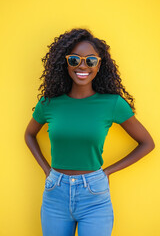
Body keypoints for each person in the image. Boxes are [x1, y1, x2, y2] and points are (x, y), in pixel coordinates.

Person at [24, 28, 155, 236]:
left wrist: (108, 171)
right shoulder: (49, 103)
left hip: (94, 196)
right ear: (65, 63)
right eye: (74, 60)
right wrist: (46, 170)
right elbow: (29, 135)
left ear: (99, 64)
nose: (82, 66)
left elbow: (147, 143)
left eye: (90, 60)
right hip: (55, 194)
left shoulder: (112, 104)